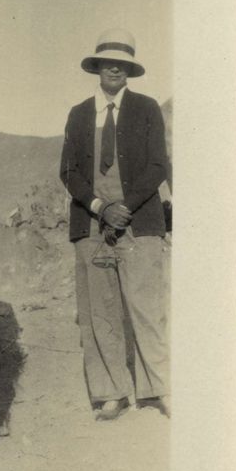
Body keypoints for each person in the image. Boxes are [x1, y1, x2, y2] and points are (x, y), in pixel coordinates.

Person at [59, 29, 171, 421]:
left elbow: (159, 165)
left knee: (146, 306)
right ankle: (111, 394)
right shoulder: (78, 114)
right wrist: (99, 206)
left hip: (140, 224)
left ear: (129, 70)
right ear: (97, 67)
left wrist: (124, 207)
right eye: (108, 62)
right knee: (99, 311)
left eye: (121, 64)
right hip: (91, 226)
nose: (114, 68)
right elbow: (68, 172)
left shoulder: (147, 109)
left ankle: (157, 389)